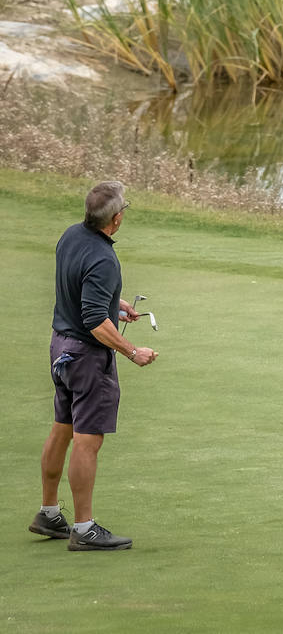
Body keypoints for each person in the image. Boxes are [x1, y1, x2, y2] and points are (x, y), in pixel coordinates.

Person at [29, 180, 158, 552]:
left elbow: (79, 292)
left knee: (61, 429)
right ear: (116, 219)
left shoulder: (70, 236)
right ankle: (84, 529)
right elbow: (94, 322)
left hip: (60, 348)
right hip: (86, 357)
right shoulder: (105, 258)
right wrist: (132, 352)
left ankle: (49, 513)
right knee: (88, 440)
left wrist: (114, 305)